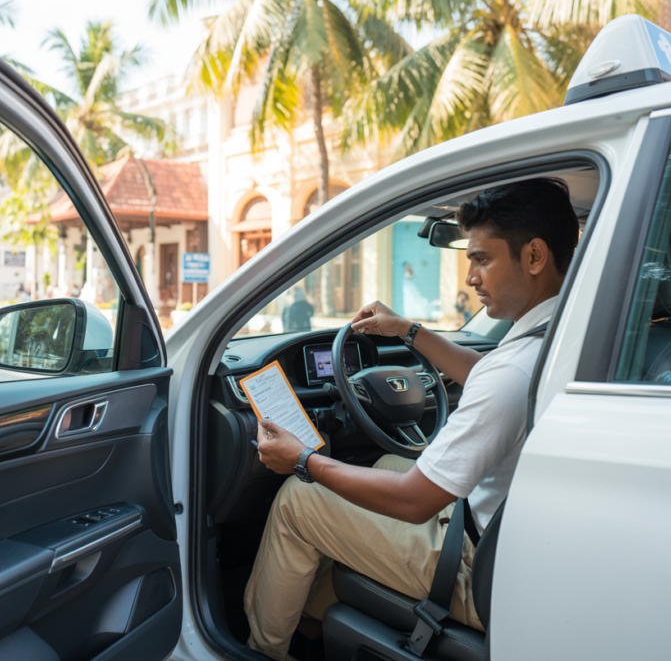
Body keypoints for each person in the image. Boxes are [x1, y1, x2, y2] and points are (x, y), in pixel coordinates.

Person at [243, 178, 580, 660]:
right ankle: (316, 621)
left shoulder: (514, 370)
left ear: (533, 256)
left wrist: (303, 461)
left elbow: (414, 501)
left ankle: (261, 650)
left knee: (301, 498)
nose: (470, 278)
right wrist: (408, 331)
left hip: (479, 570)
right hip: (519, 543)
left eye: (481, 258)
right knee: (382, 463)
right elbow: (490, 375)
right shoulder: (567, 333)